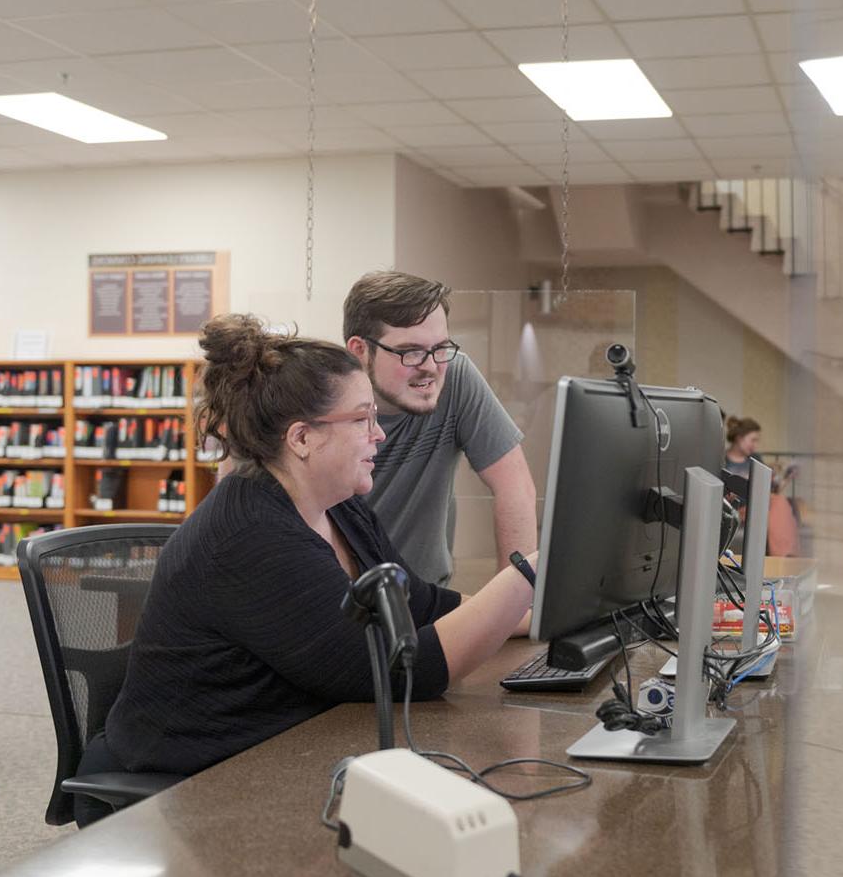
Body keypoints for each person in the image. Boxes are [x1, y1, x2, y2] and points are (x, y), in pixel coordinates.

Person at [76, 315, 537, 824]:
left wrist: (540, 611)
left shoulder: (339, 505)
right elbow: (398, 670)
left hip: (279, 749)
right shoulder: (250, 536)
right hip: (190, 785)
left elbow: (419, 604)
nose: (379, 435)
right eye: (362, 419)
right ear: (302, 438)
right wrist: (527, 576)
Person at [343, 271, 537, 587]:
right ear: (359, 351)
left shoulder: (456, 378)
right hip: (345, 604)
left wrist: (515, 600)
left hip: (427, 597)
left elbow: (515, 487)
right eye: (410, 351)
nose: (431, 366)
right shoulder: (321, 403)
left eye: (440, 348)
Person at [721, 415, 799, 557]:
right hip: (738, 507)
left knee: (779, 501)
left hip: (760, 504)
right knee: (778, 504)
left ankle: (784, 556)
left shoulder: (756, 459)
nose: (756, 445)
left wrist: (783, 480)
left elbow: (769, 489)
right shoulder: (723, 460)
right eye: (753, 440)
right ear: (739, 438)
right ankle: (784, 556)